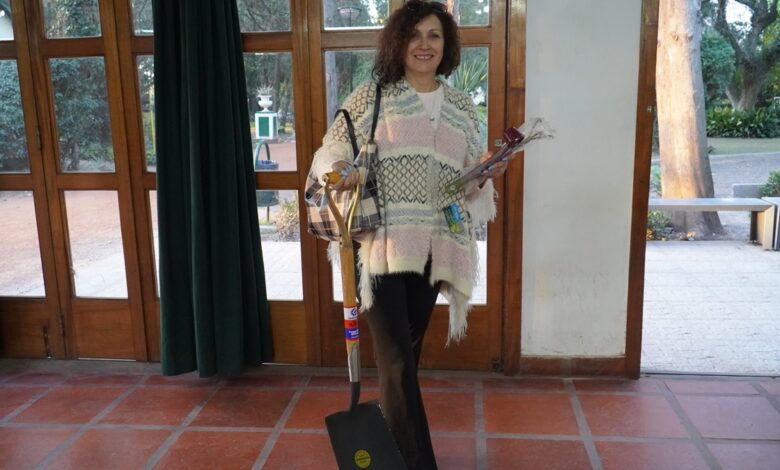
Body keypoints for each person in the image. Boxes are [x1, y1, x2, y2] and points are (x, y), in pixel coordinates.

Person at [310, 1, 506, 468]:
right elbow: (331, 149)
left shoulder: (461, 106)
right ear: (398, 42)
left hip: (434, 248)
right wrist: (340, 169)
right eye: (415, 34)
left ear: (446, 45)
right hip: (380, 247)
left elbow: (466, 179)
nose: (424, 44)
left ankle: (391, 448)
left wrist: (486, 171)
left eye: (434, 35)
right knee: (397, 361)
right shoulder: (372, 95)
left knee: (405, 361)